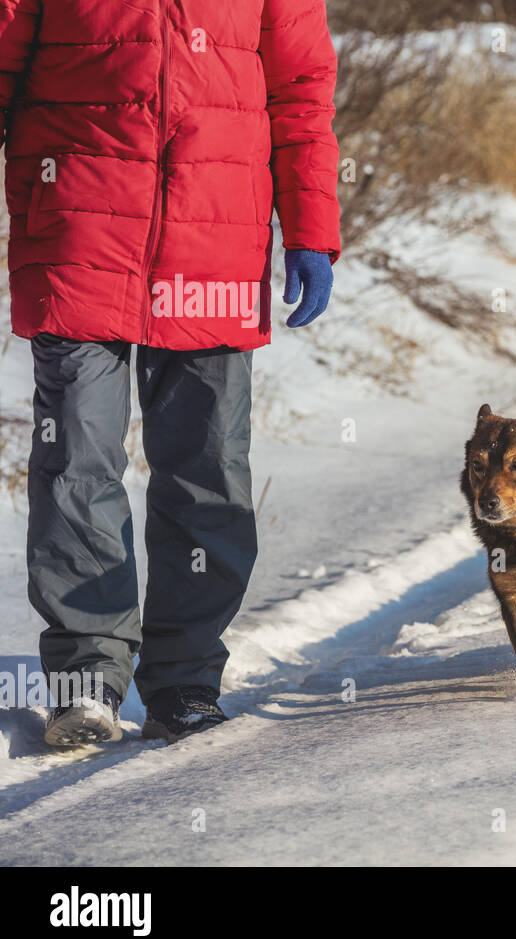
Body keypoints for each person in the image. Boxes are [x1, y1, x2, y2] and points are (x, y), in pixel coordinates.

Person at [0, 0, 341, 745]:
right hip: (77, 233)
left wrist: (312, 229)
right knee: (75, 461)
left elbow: (300, 93)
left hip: (215, 242)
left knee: (207, 468)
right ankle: (86, 680)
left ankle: (186, 680)